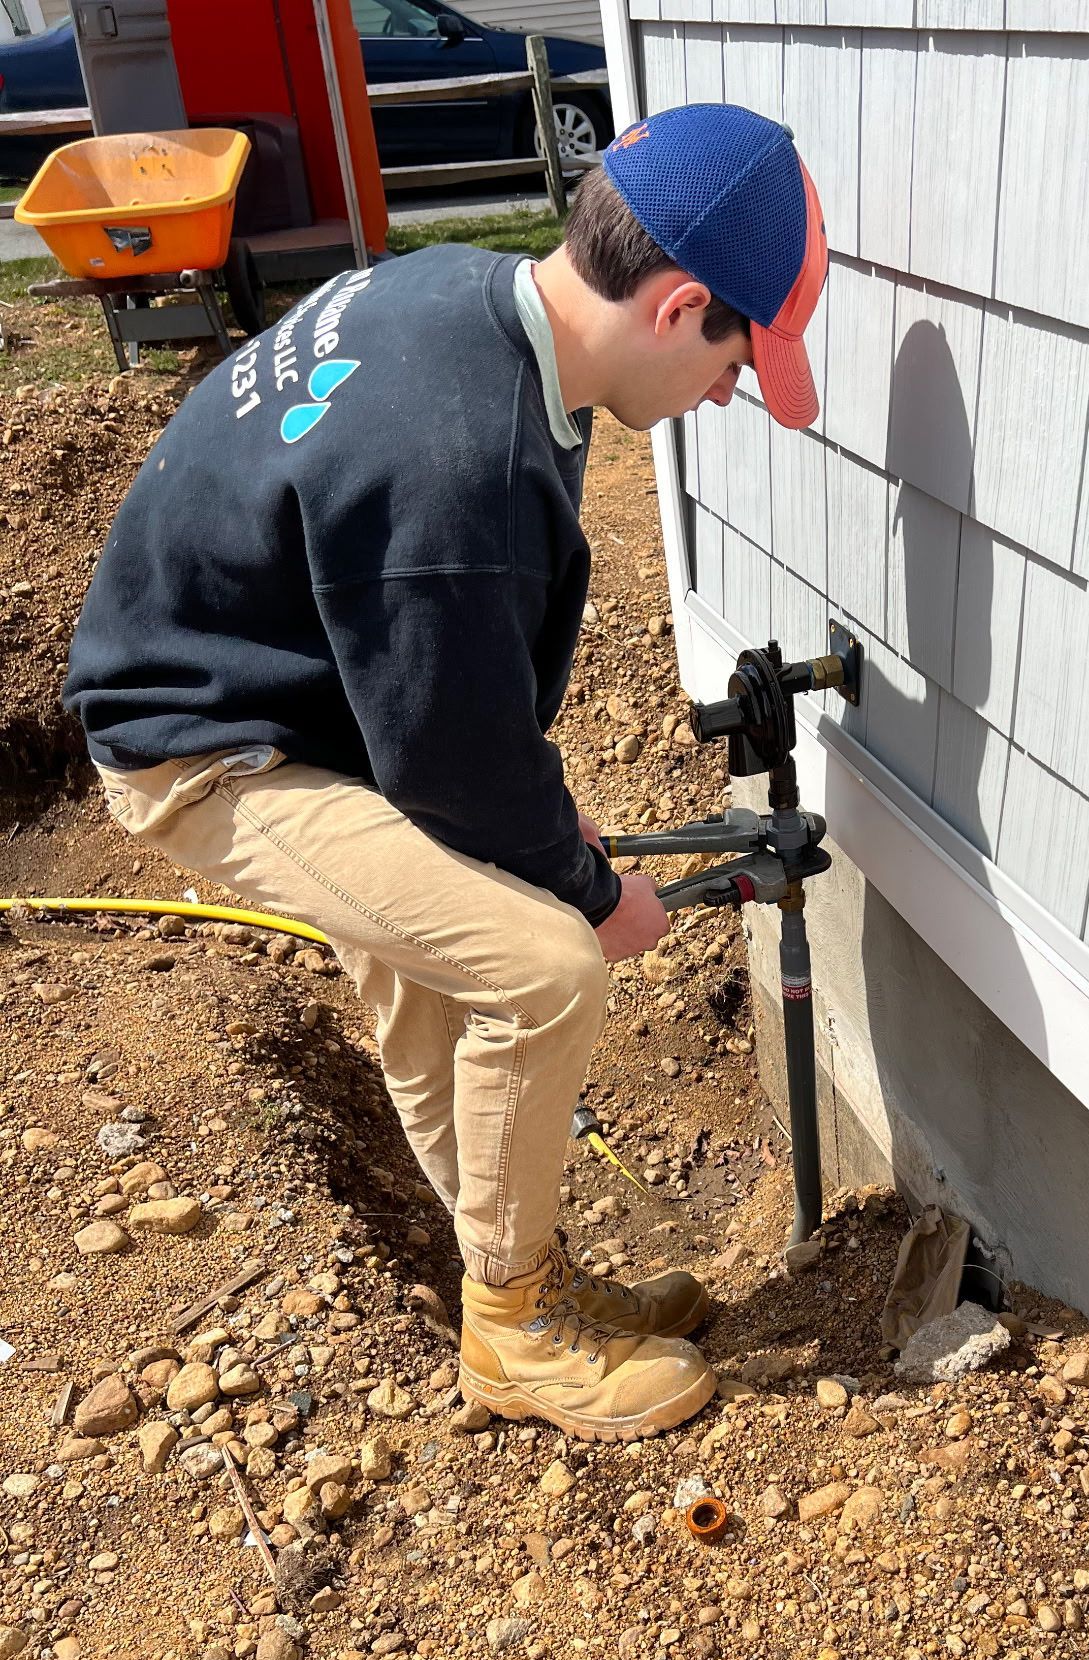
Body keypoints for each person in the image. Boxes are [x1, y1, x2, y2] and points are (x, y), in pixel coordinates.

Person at [62, 103, 829, 1443]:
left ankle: (516, 1270)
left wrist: (529, 824)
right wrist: (588, 886)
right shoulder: (456, 451)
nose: (729, 394)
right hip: (212, 744)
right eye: (737, 359)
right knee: (540, 969)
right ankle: (516, 1328)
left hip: (290, 687)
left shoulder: (459, 301)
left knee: (436, 975)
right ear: (681, 304)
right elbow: (447, 744)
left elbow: (442, 688)